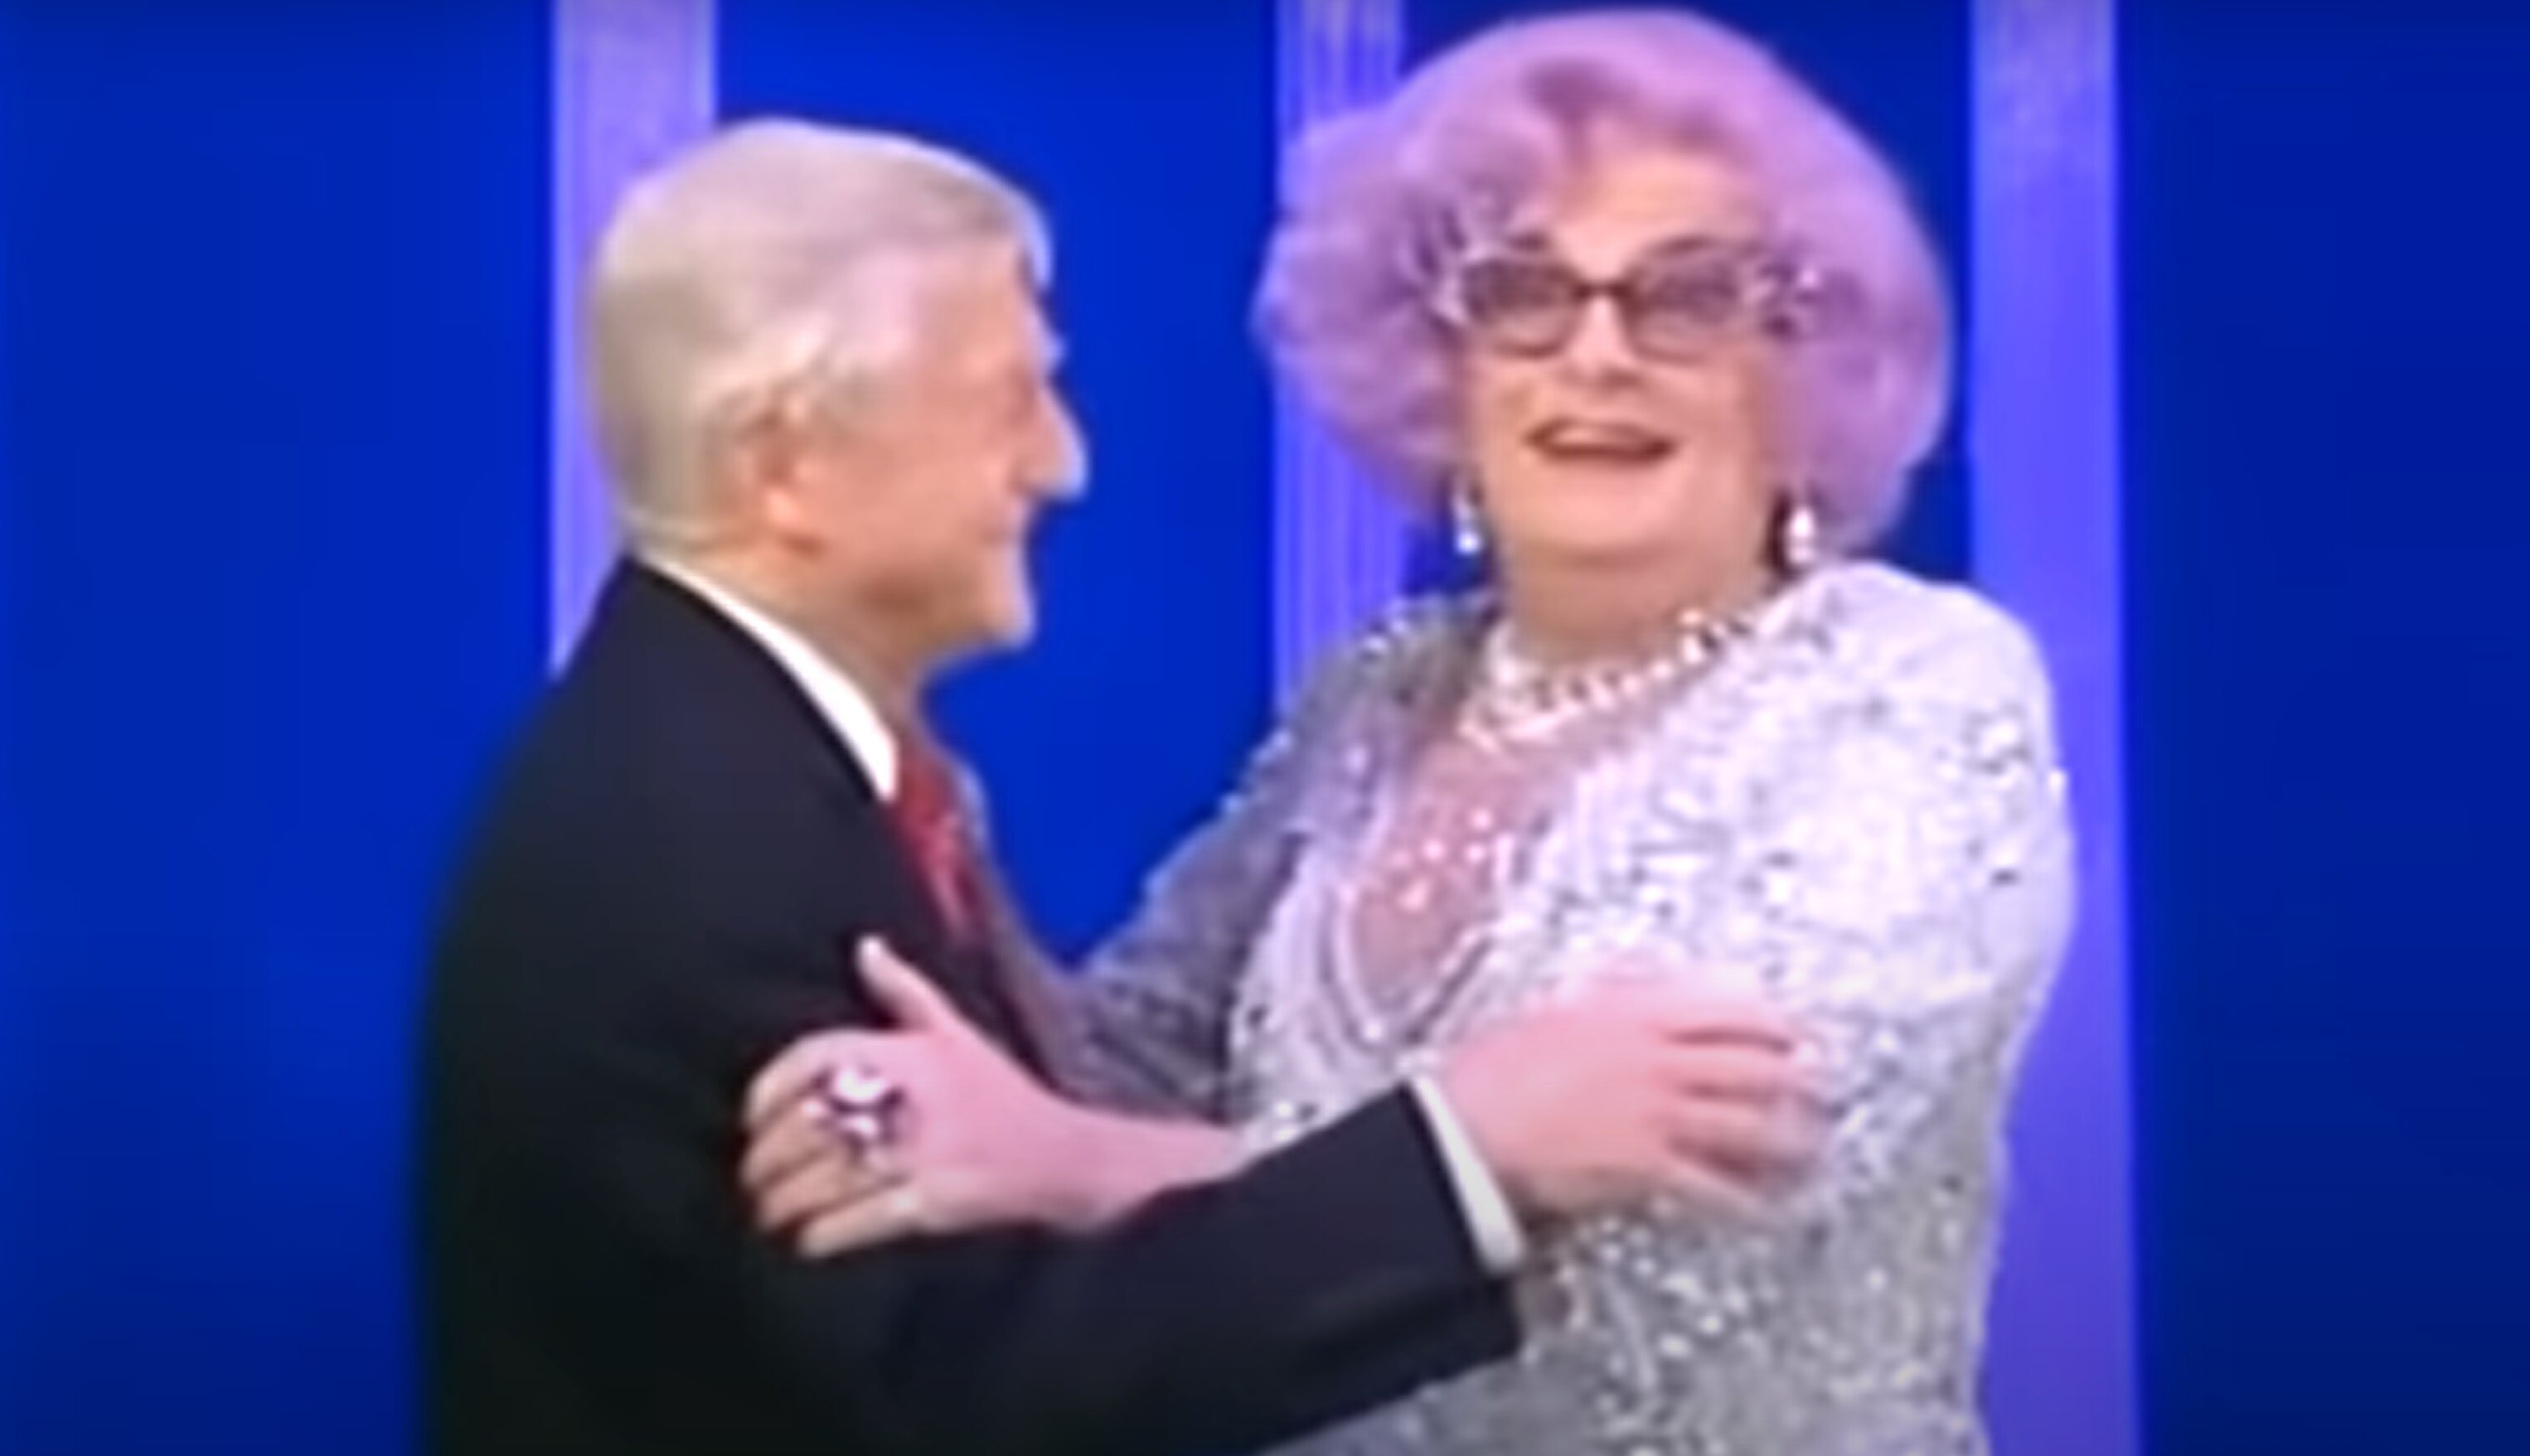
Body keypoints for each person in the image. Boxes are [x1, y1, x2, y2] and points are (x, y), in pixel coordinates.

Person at [735, 11, 2077, 1456]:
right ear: (1440, 368)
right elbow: (1112, 1064)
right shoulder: (1376, 698)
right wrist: (898, 764)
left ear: (1804, 371)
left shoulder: (1910, 687)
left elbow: (1637, 1266)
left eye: (1687, 297)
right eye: (1519, 293)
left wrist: (1073, 1165)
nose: (1597, 352)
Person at [414, 115, 1825, 1456]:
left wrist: (1066, 1154)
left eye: (1686, 301)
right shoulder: (713, 844)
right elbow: (980, 1390)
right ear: (786, 464)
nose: (1063, 464)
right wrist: (1464, 1148)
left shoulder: (737, 761)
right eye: (1011, 401)